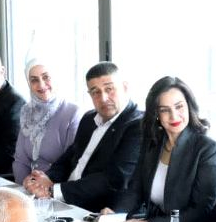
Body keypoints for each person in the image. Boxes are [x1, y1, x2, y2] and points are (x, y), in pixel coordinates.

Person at [110, 76, 216, 222]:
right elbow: (135, 190)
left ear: (189, 106)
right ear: (156, 114)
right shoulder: (153, 143)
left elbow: (201, 211)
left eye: (179, 106)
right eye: (164, 110)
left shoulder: (208, 149)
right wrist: (115, 214)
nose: (174, 115)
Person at [24, 63, 143, 211]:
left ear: (124, 87)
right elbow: (69, 157)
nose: (103, 98)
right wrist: (45, 179)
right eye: (95, 92)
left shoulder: (137, 125)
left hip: (97, 210)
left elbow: (113, 179)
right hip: (62, 201)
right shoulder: (89, 118)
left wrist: (54, 190)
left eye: (109, 89)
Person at [11, 59, 80, 185]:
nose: (41, 85)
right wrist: (23, 187)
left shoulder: (73, 112)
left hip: (56, 187)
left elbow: (71, 163)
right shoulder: (27, 111)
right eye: (34, 80)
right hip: (29, 187)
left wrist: (46, 188)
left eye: (46, 77)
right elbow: (20, 161)